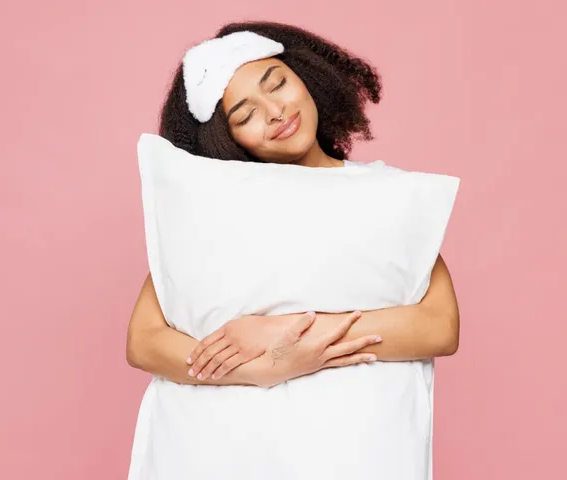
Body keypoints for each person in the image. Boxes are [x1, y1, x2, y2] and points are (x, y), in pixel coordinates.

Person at [127, 20, 460, 480]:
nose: (275, 112)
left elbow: (439, 326)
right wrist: (261, 369)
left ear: (306, 76)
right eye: (245, 115)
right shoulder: (214, 212)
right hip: (230, 456)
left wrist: (280, 334)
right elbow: (144, 339)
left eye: (277, 84)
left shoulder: (384, 194)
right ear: (227, 138)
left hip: (355, 453)